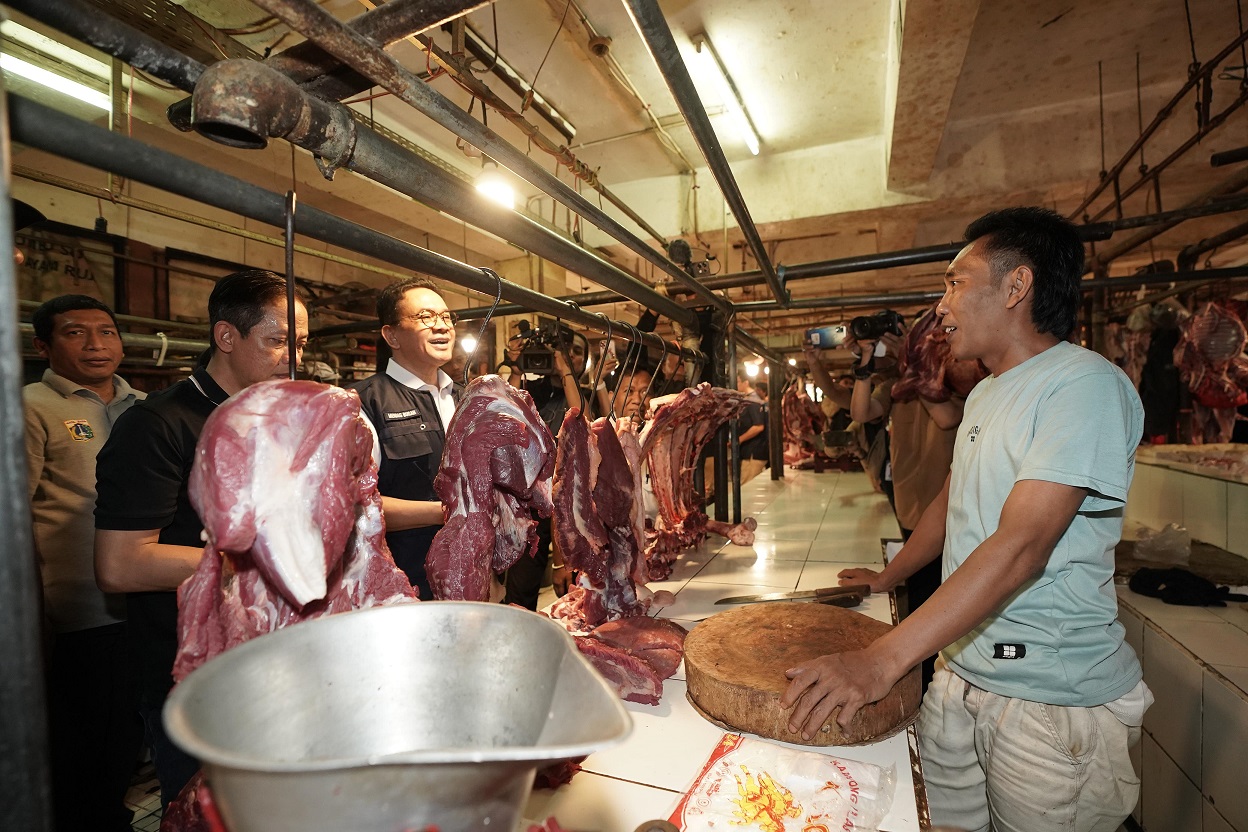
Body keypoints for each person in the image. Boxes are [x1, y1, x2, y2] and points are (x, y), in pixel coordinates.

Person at [782, 207, 1150, 832]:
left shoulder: (1082, 385)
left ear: (1016, 287)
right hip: (961, 677)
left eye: (956, 282)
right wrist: (886, 578)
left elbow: (1022, 547)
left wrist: (881, 661)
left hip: (1046, 703)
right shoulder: (984, 392)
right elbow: (951, 504)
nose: (941, 304)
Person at [94, 270, 308, 808]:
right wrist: (266, 561)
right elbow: (121, 563)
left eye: (301, 344)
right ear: (226, 336)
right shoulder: (158, 425)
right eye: (279, 341)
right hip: (195, 668)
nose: (293, 358)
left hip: (279, 654)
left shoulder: (284, 416)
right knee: (209, 809)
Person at [24, 295, 144, 832]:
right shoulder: (29, 406)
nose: (97, 345)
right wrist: (31, 617)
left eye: (107, 332)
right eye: (76, 333)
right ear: (42, 346)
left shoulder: (143, 405)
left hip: (140, 601)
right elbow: (13, 515)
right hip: (75, 611)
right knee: (77, 743)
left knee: (124, 733)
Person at [351, 276, 459, 600]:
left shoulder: (467, 399)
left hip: (467, 583)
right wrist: (451, 511)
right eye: (426, 317)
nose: (441, 327)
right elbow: (356, 506)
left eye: (446, 317)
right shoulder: (365, 403)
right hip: (400, 592)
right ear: (391, 335)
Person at [735, 371, 768, 484]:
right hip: (748, 452)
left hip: (753, 452)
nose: (734, 384)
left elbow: (758, 426)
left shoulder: (753, 401)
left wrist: (738, 440)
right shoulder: (746, 400)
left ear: (746, 382)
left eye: (737, 381)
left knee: (746, 486)